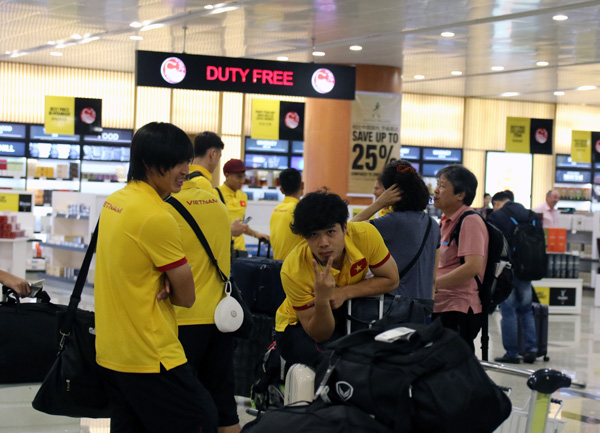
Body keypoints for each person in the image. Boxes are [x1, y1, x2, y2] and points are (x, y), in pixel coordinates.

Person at [95, 122, 218, 433]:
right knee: (201, 418)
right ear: (149, 163)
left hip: (112, 352)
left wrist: (163, 277)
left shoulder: (116, 201)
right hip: (151, 354)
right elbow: (187, 297)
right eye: (176, 162)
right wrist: (171, 281)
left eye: (187, 161)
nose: (184, 170)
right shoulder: (156, 215)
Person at [274, 189, 399, 367]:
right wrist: (323, 300)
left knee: (377, 357)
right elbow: (320, 334)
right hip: (298, 326)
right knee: (334, 362)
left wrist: (344, 292)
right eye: (313, 235)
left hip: (346, 312)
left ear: (345, 228)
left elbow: (391, 280)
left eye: (330, 232)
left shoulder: (365, 236)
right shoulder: (293, 269)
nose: (323, 242)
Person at [169, 175, 241, 433]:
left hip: (182, 317)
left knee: (181, 405)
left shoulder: (167, 204)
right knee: (224, 405)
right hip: (221, 319)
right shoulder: (217, 204)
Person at [352, 160, 440, 299]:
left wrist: (379, 203)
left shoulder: (393, 222)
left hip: (394, 306)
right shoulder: (433, 225)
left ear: (391, 192)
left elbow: (348, 231)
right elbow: (433, 278)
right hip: (423, 306)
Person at [433, 165, 489, 352]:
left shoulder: (469, 220)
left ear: (460, 195)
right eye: (437, 184)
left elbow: (473, 266)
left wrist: (434, 284)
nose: (436, 190)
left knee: (454, 371)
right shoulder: (445, 221)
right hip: (442, 305)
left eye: (442, 185)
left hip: (459, 307)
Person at [488, 191, 538, 364]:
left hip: (505, 269)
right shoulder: (531, 215)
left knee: (508, 311)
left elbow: (492, 244)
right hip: (527, 269)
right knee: (526, 309)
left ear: (497, 203)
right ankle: (531, 349)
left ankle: (512, 353)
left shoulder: (498, 216)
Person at [188, 132, 246, 237]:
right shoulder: (202, 183)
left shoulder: (185, 177)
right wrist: (230, 230)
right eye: (219, 157)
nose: (217, 162)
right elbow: (205, 226)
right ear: (213, 154)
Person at [218, 159, 269, 257]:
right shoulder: (215, 194)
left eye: (243, 177)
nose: (242, 181)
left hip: (241, 251)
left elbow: (241, 225)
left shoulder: (243, 196)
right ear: (227, 175)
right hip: (223, 251)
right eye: (239, 177)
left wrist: (256, 234)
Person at [269, 168, 304, 260]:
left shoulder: (276, 210)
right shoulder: (301, 210)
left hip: (277, 267)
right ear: (302, 185)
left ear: (281, 190)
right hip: (295, 269)